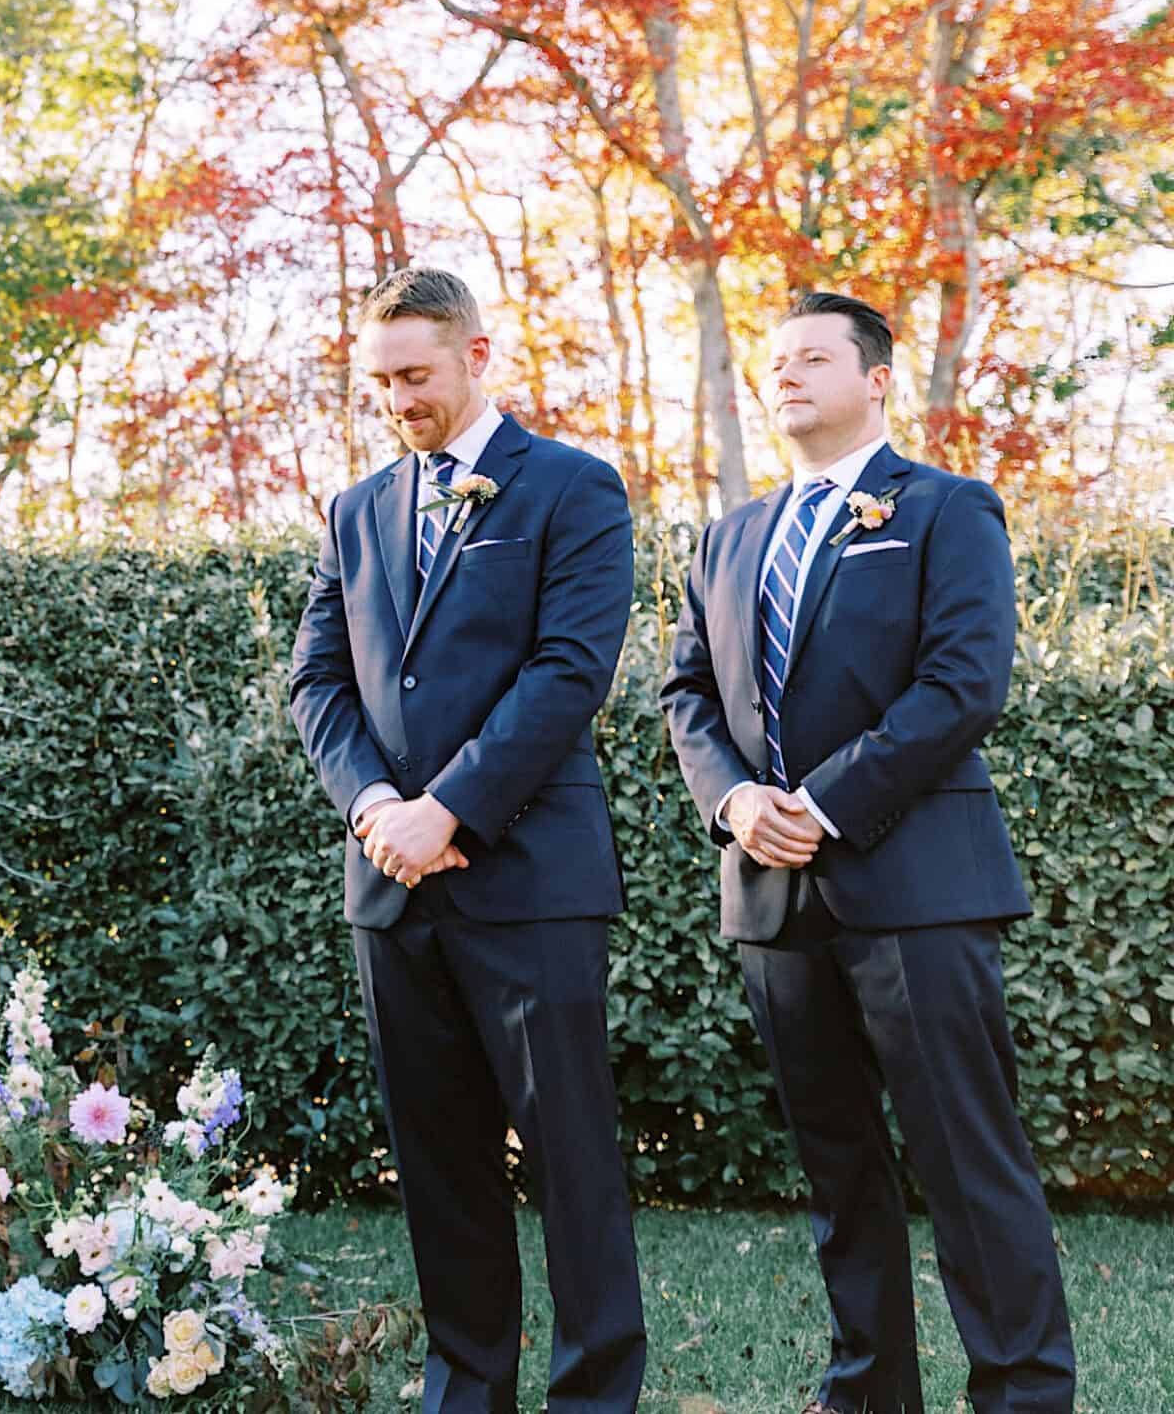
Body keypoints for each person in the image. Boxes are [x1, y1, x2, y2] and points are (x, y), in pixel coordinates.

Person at [658, 290, 1075, 1414]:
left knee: (968, 1166)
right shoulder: (729, 534)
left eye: (810, 358)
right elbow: (685, 693)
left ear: (876, 376)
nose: (783, 375)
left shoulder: (945, 510)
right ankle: (867, 1395)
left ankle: (1025, 1396)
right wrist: (739, 803)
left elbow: (961, 684)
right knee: (838, 1173)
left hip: (919, 888)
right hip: (773, 900)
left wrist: (821, 803)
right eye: (773, 361)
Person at [285, 266, 646, 1414]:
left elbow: (568, 671)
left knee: (571, 1160)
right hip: (390, 884)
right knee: (438, 1168)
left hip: (531, 875)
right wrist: (375, 811)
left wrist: (449, 808)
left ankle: (592, 1395)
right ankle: (466, 1390)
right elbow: (318, 682)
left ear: (476, 356)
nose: (398, 400)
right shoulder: (353, 510)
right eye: (379, 382)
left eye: (416, 375)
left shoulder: (574, 490)